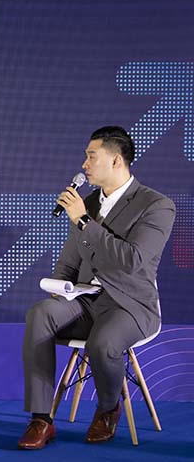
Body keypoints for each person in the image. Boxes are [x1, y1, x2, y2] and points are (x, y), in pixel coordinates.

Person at [19, 126, 175, 449]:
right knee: (40, 314)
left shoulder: (156, 205)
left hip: (130, 305)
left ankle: (107, 409)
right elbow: (70, 259)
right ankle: (41, 418)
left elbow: (132, 260)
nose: (84, 164)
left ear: (116, 160)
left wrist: (83, 222)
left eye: (92, 156)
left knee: (103, 342)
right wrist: (59, 287)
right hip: (86, 300)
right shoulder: (88, 203)